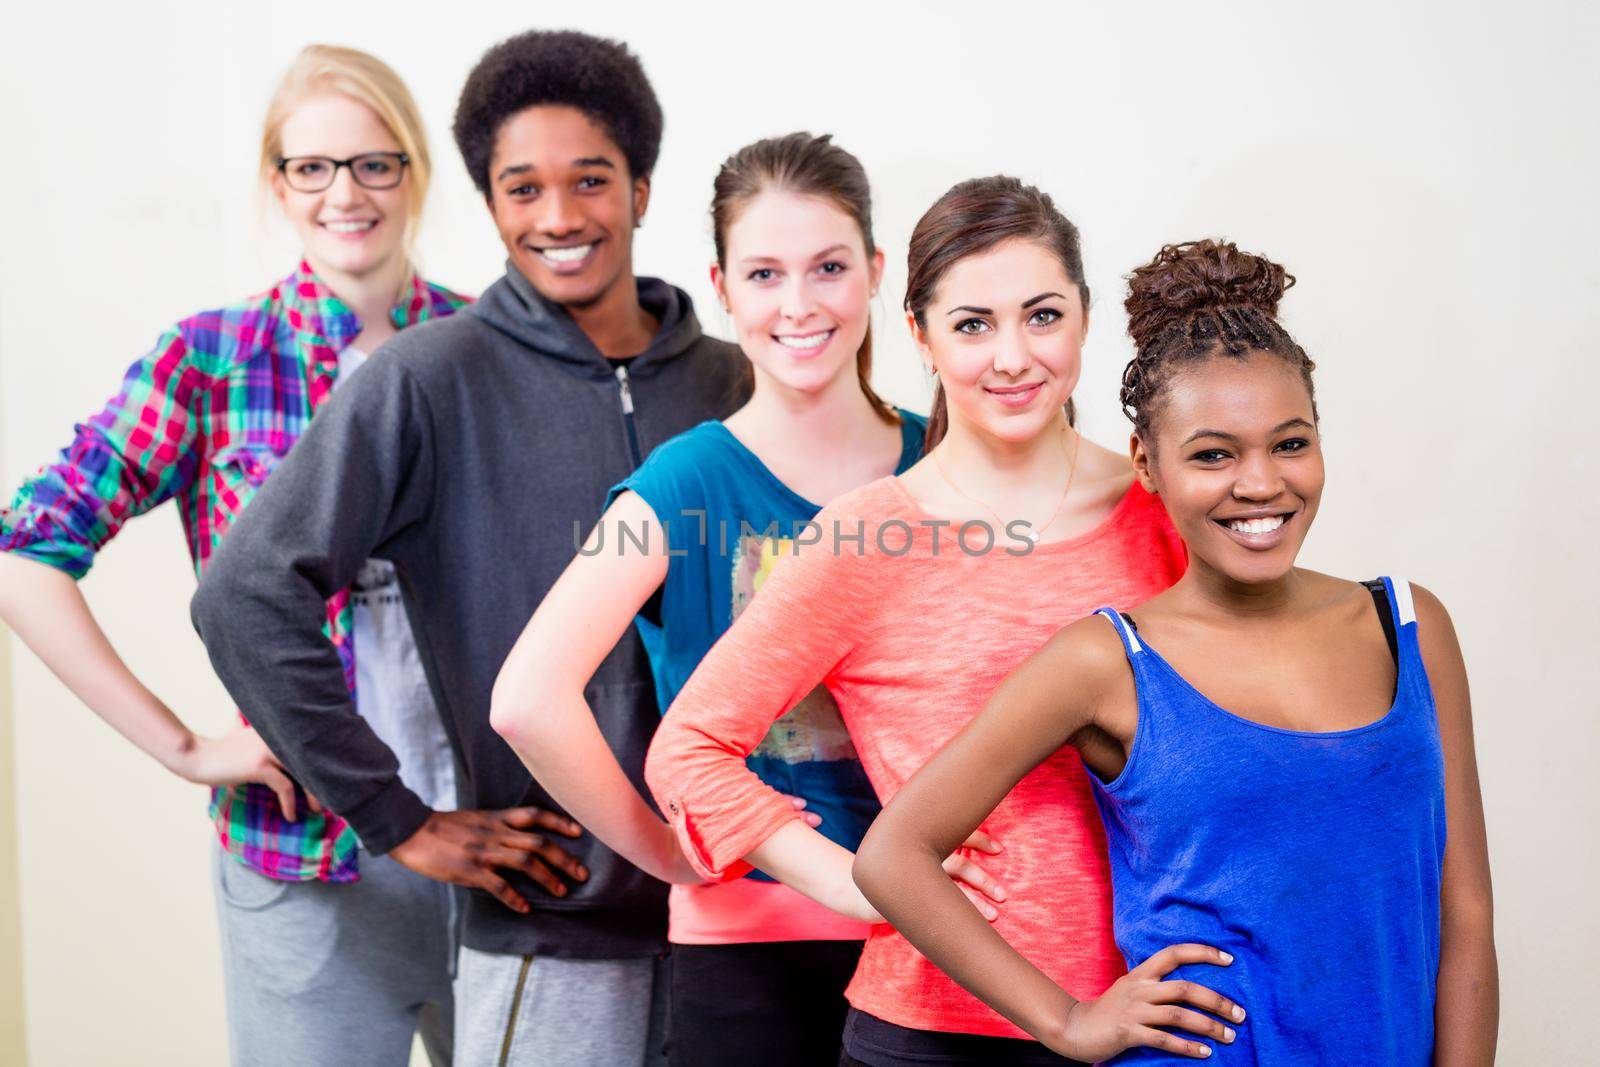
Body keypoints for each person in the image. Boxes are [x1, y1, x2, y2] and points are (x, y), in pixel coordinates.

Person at [190, 29, 744, 1066]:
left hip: (748, 923)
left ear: (642, 186)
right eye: (521, 188)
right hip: (554, 931)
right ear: (488, 203)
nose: (560, 217)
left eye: (590, 180)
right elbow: (245, 592)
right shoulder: (427, 379)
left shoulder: (731, 381)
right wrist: (395, 814)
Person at [854, 239, 1499, 1063]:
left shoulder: (1409, 624)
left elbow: (1466, 914)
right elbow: (893, 854)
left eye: (1290, 443)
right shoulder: (1108, 661)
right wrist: (1068, 1019)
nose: (1261, 483)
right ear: (1147, 464)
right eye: (1213, 454)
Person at [644, 176, 1190, 1067]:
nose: (1012, 355)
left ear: (1086, 317)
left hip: (1154, 1006)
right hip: (935, 1031)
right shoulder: (865, 538)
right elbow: (689, 750)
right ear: (920, 336)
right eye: (973, 323)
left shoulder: (1163, 506)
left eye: (1042, 315)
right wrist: (862, 887)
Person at [0, 44, 469, 1065]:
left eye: (374, 162)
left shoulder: (487, 349)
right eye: (313, 167)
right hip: (304, 856)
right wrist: (184, 747)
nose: (346, 192)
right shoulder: (212, 358)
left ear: (415, 174)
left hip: (488, 842)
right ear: (278, 183)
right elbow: (24, 554)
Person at [493, 132, 998, 1065]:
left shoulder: (952, 459)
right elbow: (526, 698)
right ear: (722, 289)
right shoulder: (683, 483)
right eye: (764, 274)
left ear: (877, 272)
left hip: (949, 943)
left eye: (829, 267)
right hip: (751, 956)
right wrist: (665, 851)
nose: (798, 305)